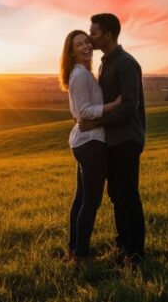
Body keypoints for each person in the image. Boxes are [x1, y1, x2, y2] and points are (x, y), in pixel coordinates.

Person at [79, 13, 147, 264]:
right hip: (113, 139)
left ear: (108, 35)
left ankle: (136, 253)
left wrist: (95, 122)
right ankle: (123, 247)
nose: (90, 37)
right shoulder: (105, 62)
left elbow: (129, 106)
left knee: (128, 195)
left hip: (127, 139)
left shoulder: (126, 63)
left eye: (94, 33)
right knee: (116, 195)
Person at [60, 29, 122, 262]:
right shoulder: (80, 75)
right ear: (72, 52)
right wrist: (112, 106)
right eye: (79, 44)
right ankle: (81, 255)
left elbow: (78, 111)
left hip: (85, 142)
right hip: (91, 143)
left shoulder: (83, 73)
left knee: (81, 199)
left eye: (87, 42)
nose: (86, 46)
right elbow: (83, 112)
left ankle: (74, 250)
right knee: (90, 201)